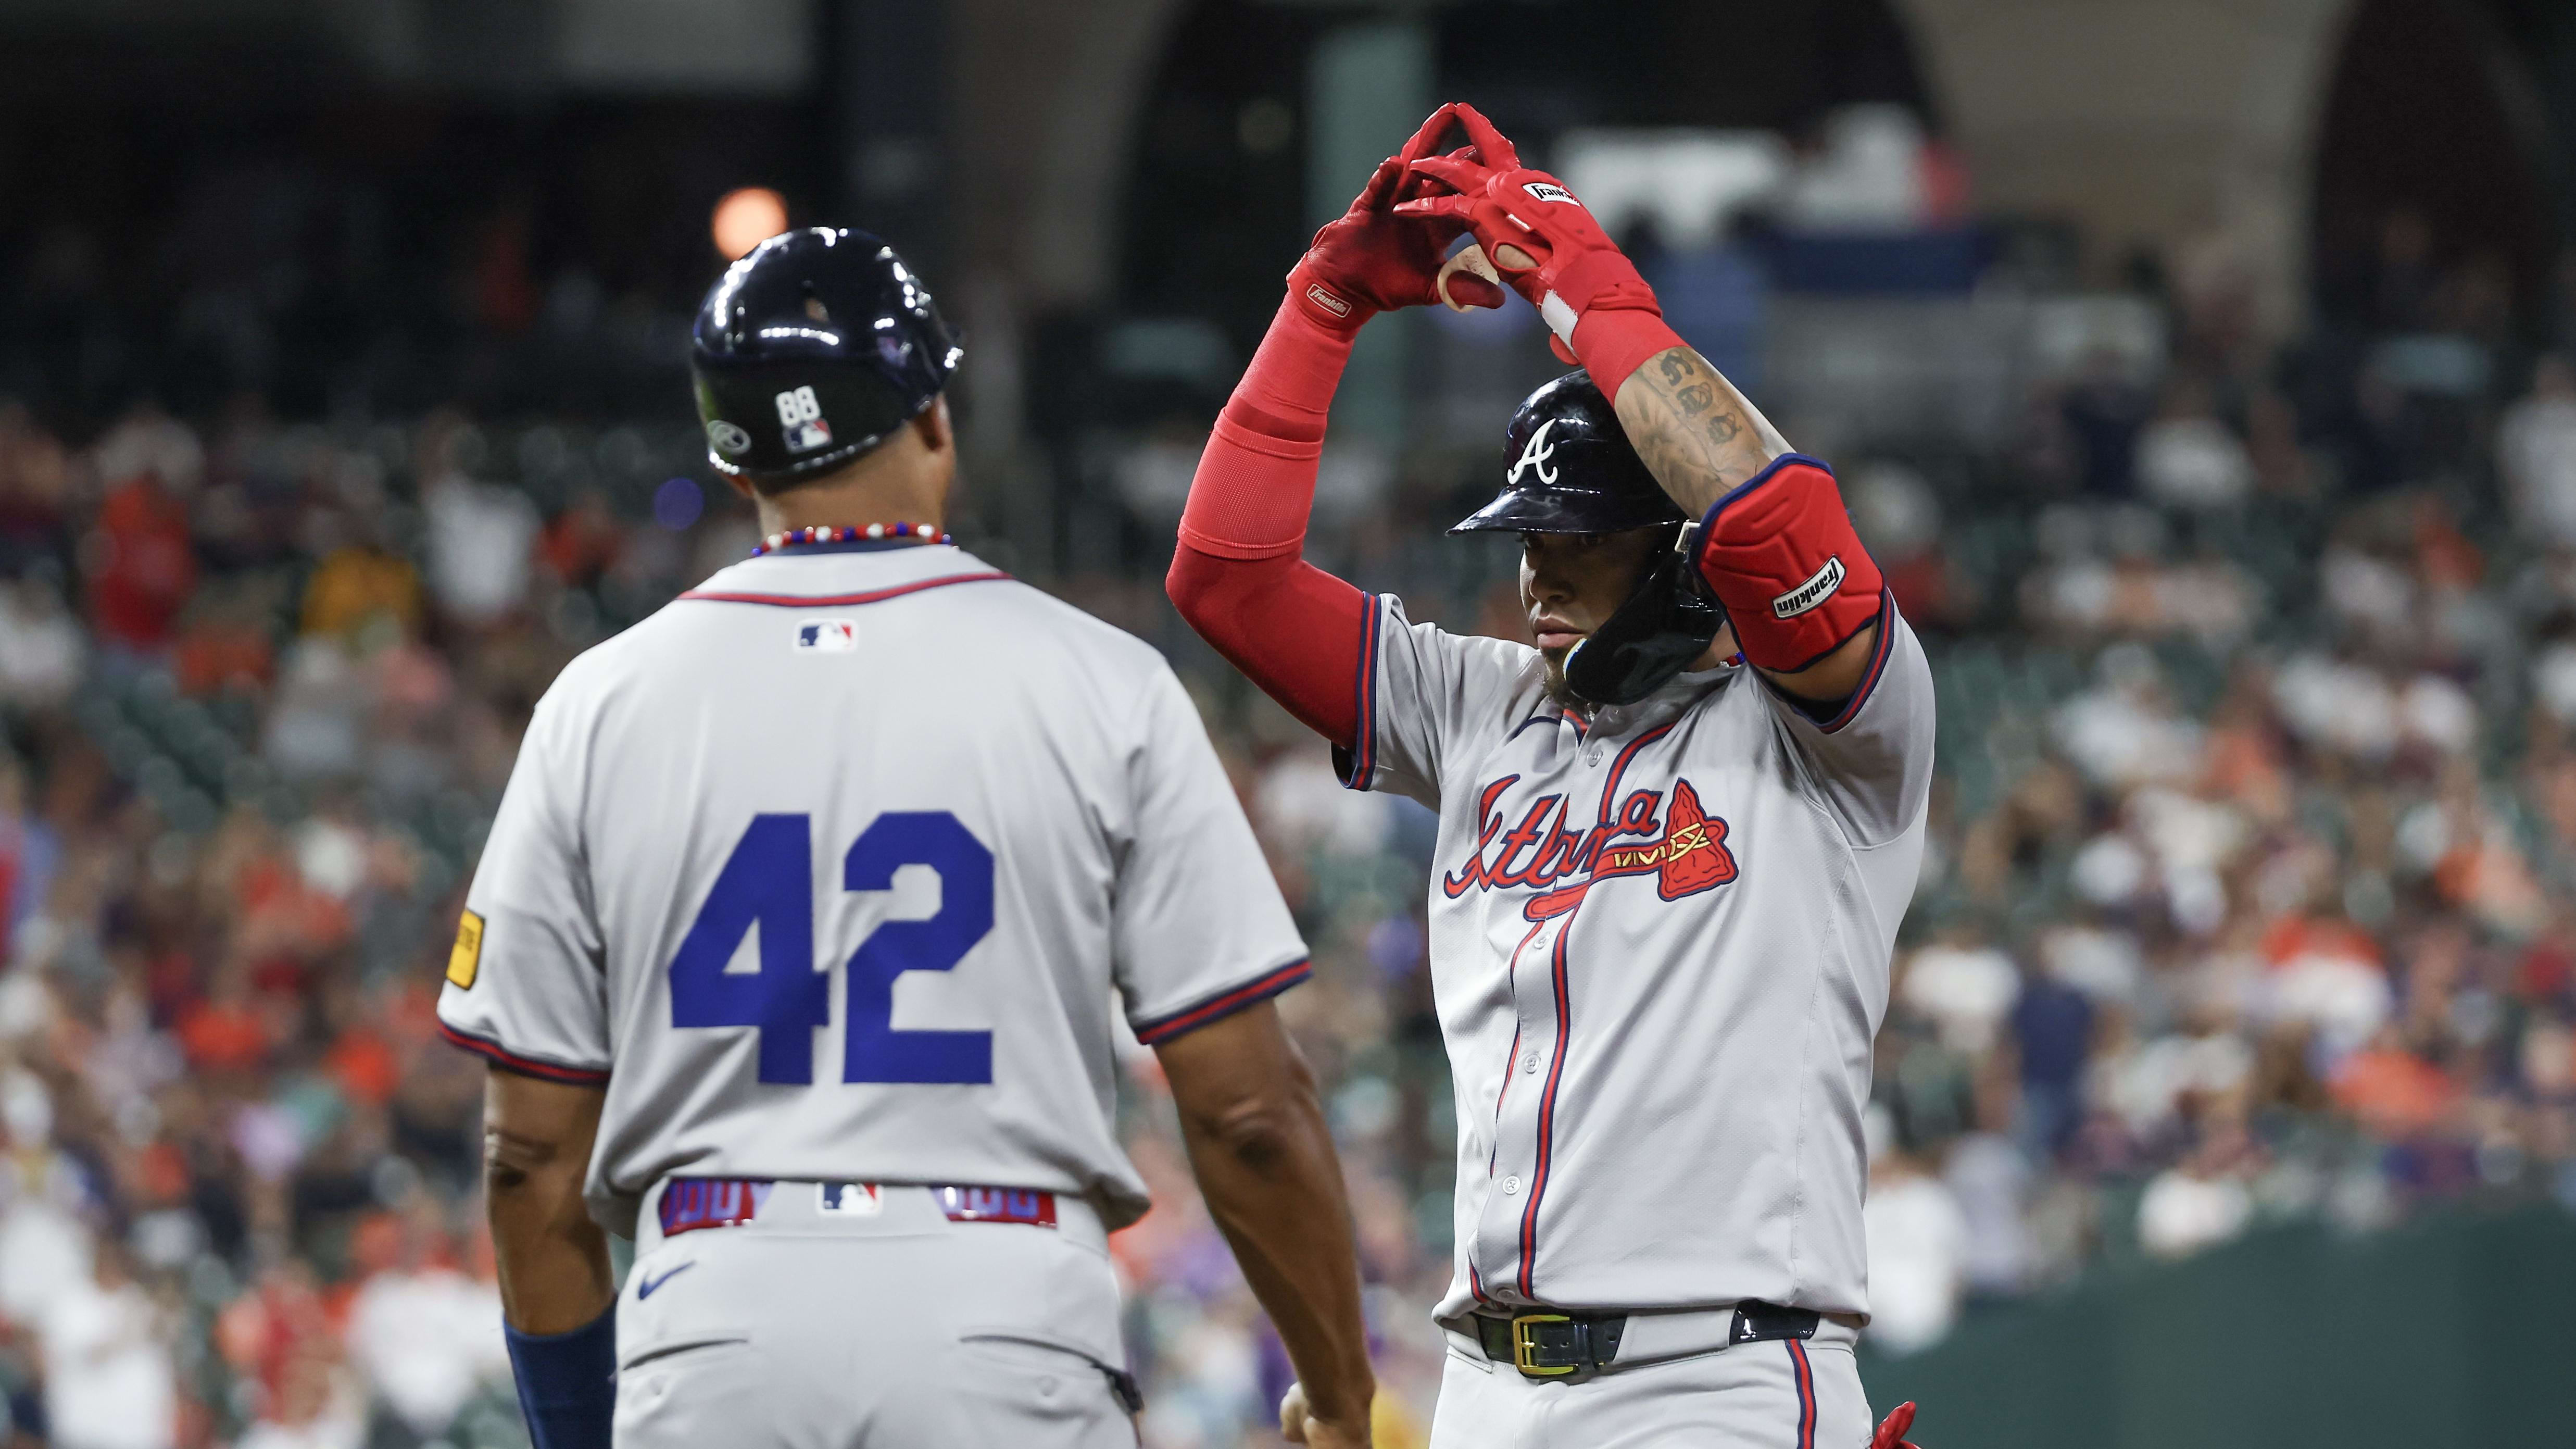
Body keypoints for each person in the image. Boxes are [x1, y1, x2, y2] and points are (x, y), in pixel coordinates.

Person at [436, 229, 1377, 1449]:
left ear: (735, 466)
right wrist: (1341, 1393)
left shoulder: (597, 705)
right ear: (934, 414)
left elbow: (527, 1155)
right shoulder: (1099, 680)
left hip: (710, 1316)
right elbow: (1248, 1108)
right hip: (1004, 1315)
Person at [1169, 104, 1931, 1448]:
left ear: (1678, 549)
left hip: (1717, 1374)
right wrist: (1325, 300)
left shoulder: (1837, 730)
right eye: (1527, 531)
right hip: (1485, 1380)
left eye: (1580, 532)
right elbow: (1226, 580)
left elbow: (1770, 517)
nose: (1537, 567)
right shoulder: (1482, 706)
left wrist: (1581, 282)